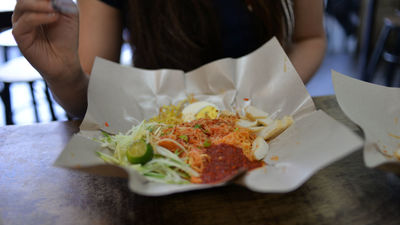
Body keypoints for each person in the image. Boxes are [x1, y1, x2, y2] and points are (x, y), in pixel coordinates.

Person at [11, 0, 326, 119]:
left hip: (270, 132)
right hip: (163, 147)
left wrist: (266, 97)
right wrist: (66, 77)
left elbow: (310, 38)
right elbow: (90, 102)